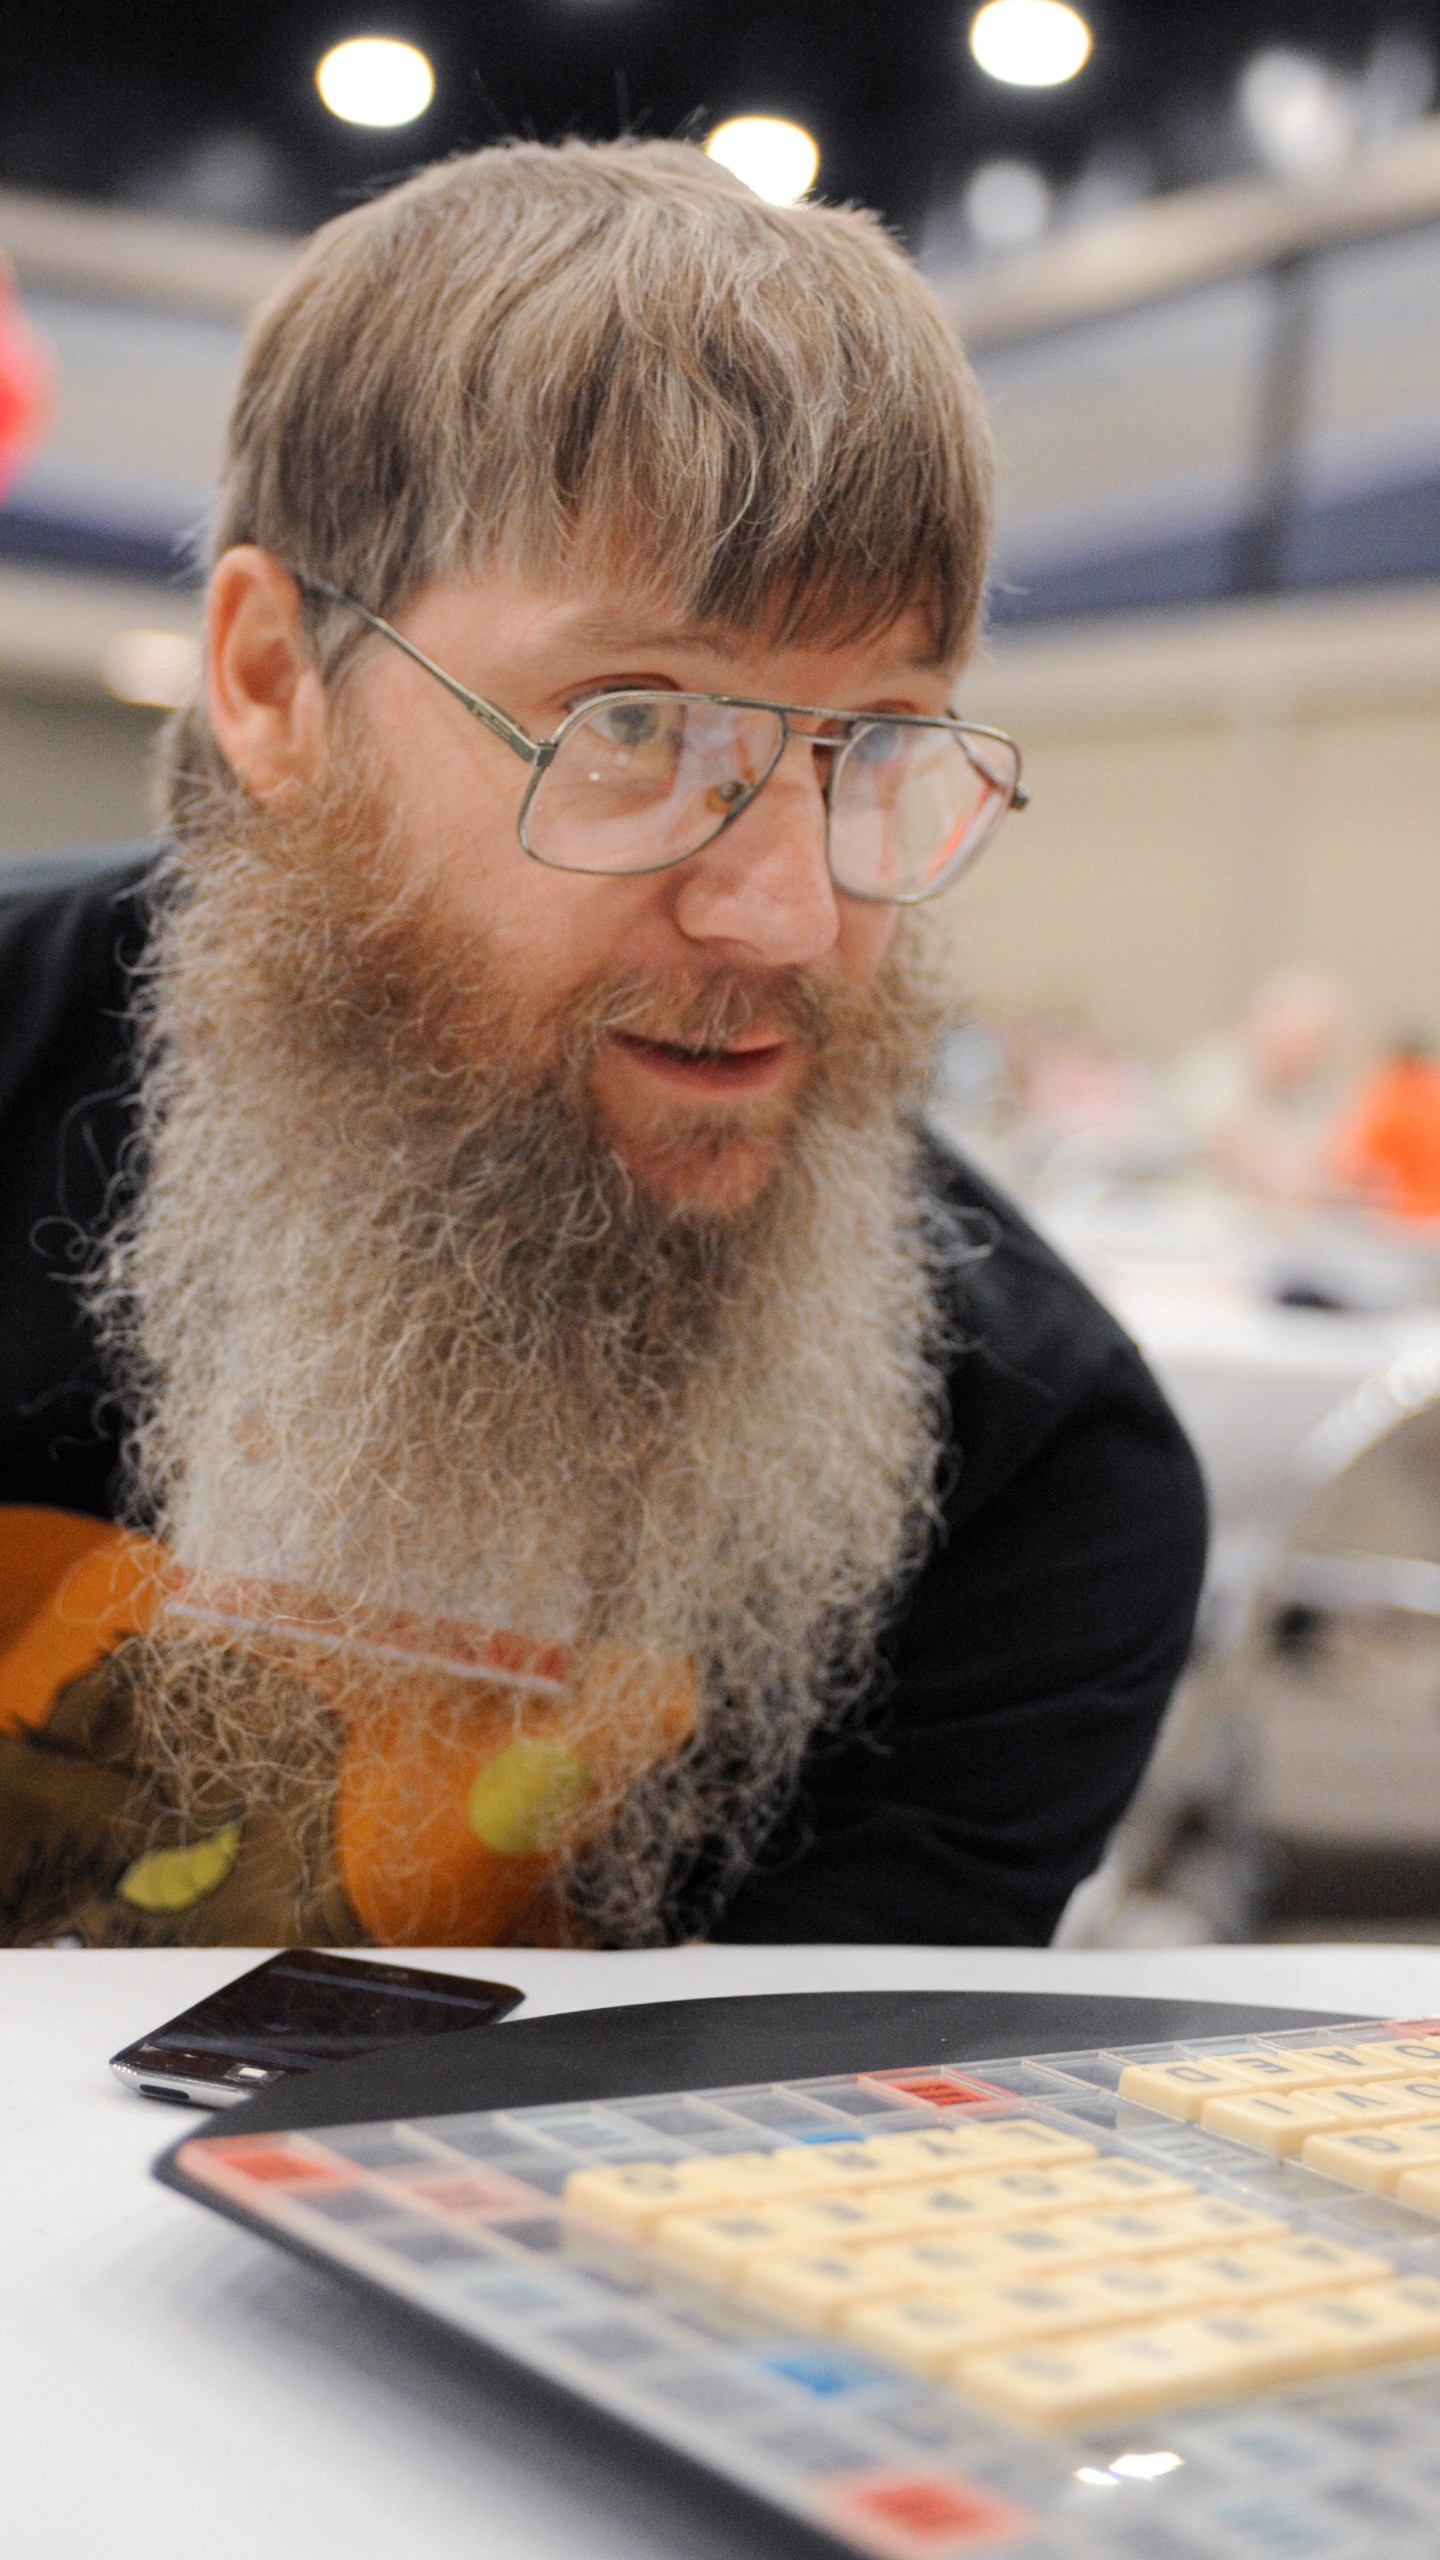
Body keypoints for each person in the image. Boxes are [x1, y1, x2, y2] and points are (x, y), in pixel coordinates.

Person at [0, 138, 1205, 1949]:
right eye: (636, 723)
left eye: (879, 742)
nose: (788, 914)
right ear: (268, 681)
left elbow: (757, 2189)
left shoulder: (1035, 1475)